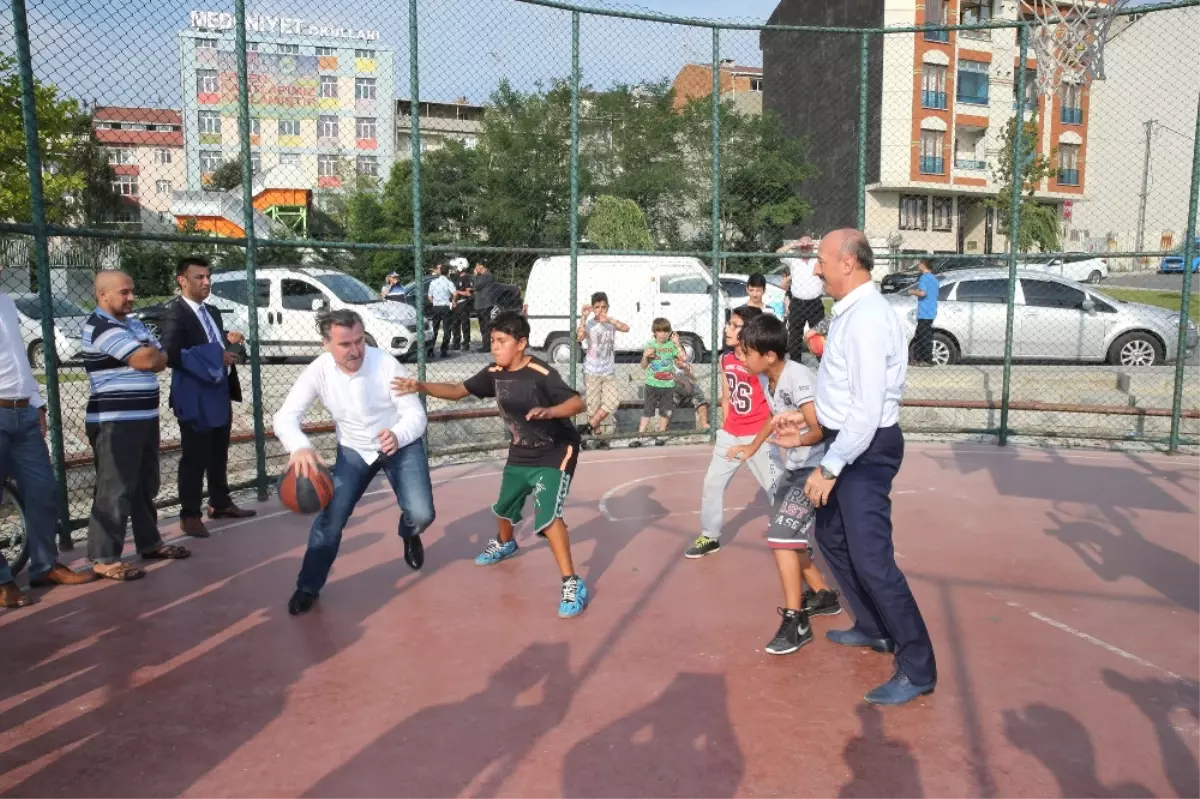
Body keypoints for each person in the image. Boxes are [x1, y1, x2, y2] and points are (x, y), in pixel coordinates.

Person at [794, 228, 937, 705]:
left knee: (874, 561)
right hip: (849, 442)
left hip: (866, 447)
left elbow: (868, 408)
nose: (817, 269)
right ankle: (875, 628)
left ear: (848, 263)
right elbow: (844, 392)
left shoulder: (869, 319)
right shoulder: (853, 313)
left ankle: (917, 667)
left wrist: (829, 467)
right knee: (832, 538)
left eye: (822, 261)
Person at [392, 311, 590, 619]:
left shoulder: (541, 373)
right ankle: (505, 543)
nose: (494, 347)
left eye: (502, 341)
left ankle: (571, 582)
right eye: (492, 340)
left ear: (521, 343)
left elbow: (577, 403)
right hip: (521, 451)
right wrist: (420, 386)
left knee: (547, 513)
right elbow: (458, 391)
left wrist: (550, 412)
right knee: (503, 507)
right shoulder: (495, 371)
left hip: (555, 450)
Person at [273, 309, 433, 616]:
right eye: (345, 344)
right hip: (354, 451)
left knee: (422, 514)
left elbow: (416, 414)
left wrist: (398, 434)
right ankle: (308, 585)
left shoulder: (385, 363)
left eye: (359, 341)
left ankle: (409, 532)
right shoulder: (318, 371)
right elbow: (285, 416)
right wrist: (300, 447)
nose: (355, 350)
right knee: (331, 520)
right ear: (326, 344)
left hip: (400, 445)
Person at [738, 313, 840, 654]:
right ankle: (823, 596)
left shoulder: (797, 378)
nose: (742, 356)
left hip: (813, 470)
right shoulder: (772, 378)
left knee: (782, 537)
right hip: (794, 470)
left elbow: (819, 428)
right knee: (787, 538)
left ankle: (797, 621)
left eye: (747, 351)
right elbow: (774, 416)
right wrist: (752, 446)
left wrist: (795, 443)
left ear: (768, 355)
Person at [83, 271, 191, 582]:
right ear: (103, 296)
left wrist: (152, 355)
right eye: (124, 293)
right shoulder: (99, 326)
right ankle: (104, 557)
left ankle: (150, 542)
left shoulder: (132, 323)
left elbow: (160, 356)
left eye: (132, 291)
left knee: (145, 484)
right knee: (114, 489)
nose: (131, 298)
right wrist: (150, 355)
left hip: (144, 416)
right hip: (115, 422)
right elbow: (147, 359)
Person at [0, 286, 96, 608]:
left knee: (42, 489)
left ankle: (44, 566)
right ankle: (2, 581)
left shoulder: (6, 302)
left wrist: (37, 402)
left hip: (23, 412)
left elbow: (18, 360)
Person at [161, 256, 255, 540]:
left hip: (218, 392)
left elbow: (214, 346)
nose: (206, 282)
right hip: (194, 396)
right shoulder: (175, 313)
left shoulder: (212, 311)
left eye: (208, 276)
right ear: (182, 280)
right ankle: (189, 515)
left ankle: (220, 502)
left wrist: (230, 344)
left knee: (218, 452)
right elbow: (171, 354)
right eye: (199, 277)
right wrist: (217, 355)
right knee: (194, 456)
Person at [685, 305, 779, 560]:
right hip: (732, 433)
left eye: (735, 325)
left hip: (759, 435)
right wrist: (727, 426)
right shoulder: (725, 358)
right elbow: (727, 396)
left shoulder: (759, 362)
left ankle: (795, 538)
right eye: (729, 324)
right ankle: (710, 535)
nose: (728, 329)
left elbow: (774, 399)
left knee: (776, 487)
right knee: (712, 484)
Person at [576, 292, 629, 447]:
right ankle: (597, 438)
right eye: (597, 307)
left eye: (603, 307)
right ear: (593, 308)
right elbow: (579, 337)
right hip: (592, 371)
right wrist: (584, 318)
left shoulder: (610, 323)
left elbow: (626, 328)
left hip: (608, 371)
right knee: (593, 406)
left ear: (608, 307)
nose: (600, 310)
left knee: (613, 402)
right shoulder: (590, 324)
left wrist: (609, 319)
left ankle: (586, 428)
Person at [632, 319, 686, 448]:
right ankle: (639, 436)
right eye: (659, 331)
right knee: (647, 411)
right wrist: (645, 357)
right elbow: (644, 366)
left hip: (668, 386)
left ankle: (661, 435)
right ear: (654, 332)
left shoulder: (671, 345)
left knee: (665, 411)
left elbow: (683, 358)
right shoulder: (651, 345)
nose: (662, 334)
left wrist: (677, 343)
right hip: (652, 384)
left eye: (665, 331)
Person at [778, 236, 825, 361]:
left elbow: (834, 253)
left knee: (819, 333)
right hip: (798, 302)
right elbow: (778, 253)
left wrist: (815, 244)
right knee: (795, 334)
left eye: (807, 246)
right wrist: (793, 244)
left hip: (815, 303)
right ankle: (796, 362)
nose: (805, 248)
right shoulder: (793, 258)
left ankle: (823, 362)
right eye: (802, 246)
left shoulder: (819, 257)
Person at [908, 259, 939, 366]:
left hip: (924, 312)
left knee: (923, 336)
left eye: (919, 264)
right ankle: (917, 358)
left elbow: (922, 293)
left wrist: (912, 291)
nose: (918, 266)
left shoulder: (924, 277)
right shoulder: (934, 279)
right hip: (932, 310)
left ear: (923, 265)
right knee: (921, 335)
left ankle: (927, 359)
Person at [426, 263, 457, 358]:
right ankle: (444, 350)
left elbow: (429, 296)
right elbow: (455, 293)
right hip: (445, 306)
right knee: (447, 329)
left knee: (434, 329)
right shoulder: (449, 282)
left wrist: (435, 301)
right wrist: (453, 301)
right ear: (448, 272)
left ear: (439, 272)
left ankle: (430, 350)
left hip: (436, 307)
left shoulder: (433, 282)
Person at [672, 361, 709, 431]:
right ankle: (664, 427)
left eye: (683, 353)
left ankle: (704, 423)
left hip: (690, 389)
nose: (682, 355)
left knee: (698, 394)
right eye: (679, 353)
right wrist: (684, 382)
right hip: (675, 388)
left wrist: (688, 372)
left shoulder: (687, 365)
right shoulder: (669, 364)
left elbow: (694, 379)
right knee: (672, 397)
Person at [472, 260, 497, 352]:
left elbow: (476, 285)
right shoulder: (483, 276)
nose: (476, 269)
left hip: (485, 305)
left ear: (482, 267)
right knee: (483, 326)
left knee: (485, 326)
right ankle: (485, 344)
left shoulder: (487, 276)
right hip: (480, 305)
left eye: (477, 266)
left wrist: (475, 276)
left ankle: (487, 346)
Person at [450, 258, 473, 352]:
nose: (454, 269)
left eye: (455, 267)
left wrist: (458, 291)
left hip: (463, 303)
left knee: (465, 324)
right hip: (456, 304)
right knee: (455, 324)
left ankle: (466, 343)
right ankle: (456, 342)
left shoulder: (466, 278)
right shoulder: (457, 278)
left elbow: (468, 293)